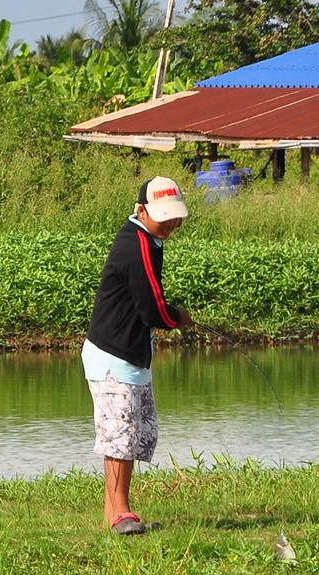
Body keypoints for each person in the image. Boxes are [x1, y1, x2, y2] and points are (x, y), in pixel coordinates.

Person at [82, 176, 193, 535]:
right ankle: (120, 514)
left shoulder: (149, 238)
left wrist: (169, 317)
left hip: (129, 352)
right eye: (164, 218)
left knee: (133, 434)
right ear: (141, 210)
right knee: (120, 437)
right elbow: (151, 308)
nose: (171, 225)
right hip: (113, 354)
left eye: (175, 218)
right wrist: (176, 319)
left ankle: (116, 512)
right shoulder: (138, 245)